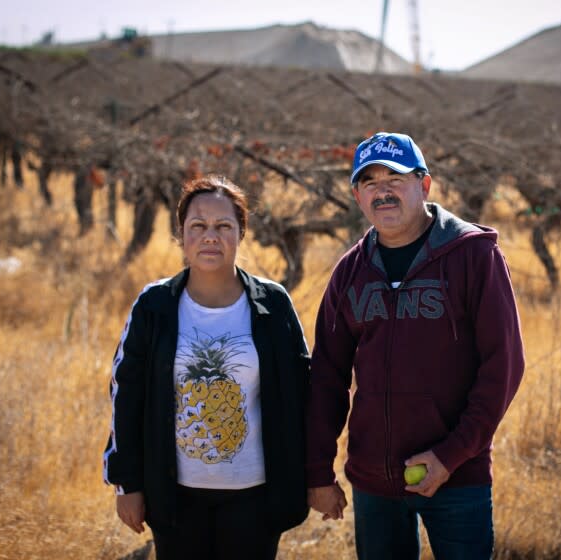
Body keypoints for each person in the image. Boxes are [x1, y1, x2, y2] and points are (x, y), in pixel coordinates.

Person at [305, 132, 525, 559]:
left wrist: (449, 455)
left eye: (395, 178)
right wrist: (318, 470)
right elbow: (327, 375)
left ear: (424, 185)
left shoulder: (474, 257)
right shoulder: (350, 272)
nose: (383, 191)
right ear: (356, 196)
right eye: (370, 182)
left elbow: (504, 367)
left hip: (457, 476)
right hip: (374, 479)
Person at [103, 175, 310, 559]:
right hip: (174, 496)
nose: (210, 236)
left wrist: (316, 477)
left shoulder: (273, 303)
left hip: (256, 496)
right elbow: (125, 395)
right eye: (198, 226)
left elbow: (302, 394)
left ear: (241, 232)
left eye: (223, 226)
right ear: (181, 234)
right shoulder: (155, 305)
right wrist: (126, 484)